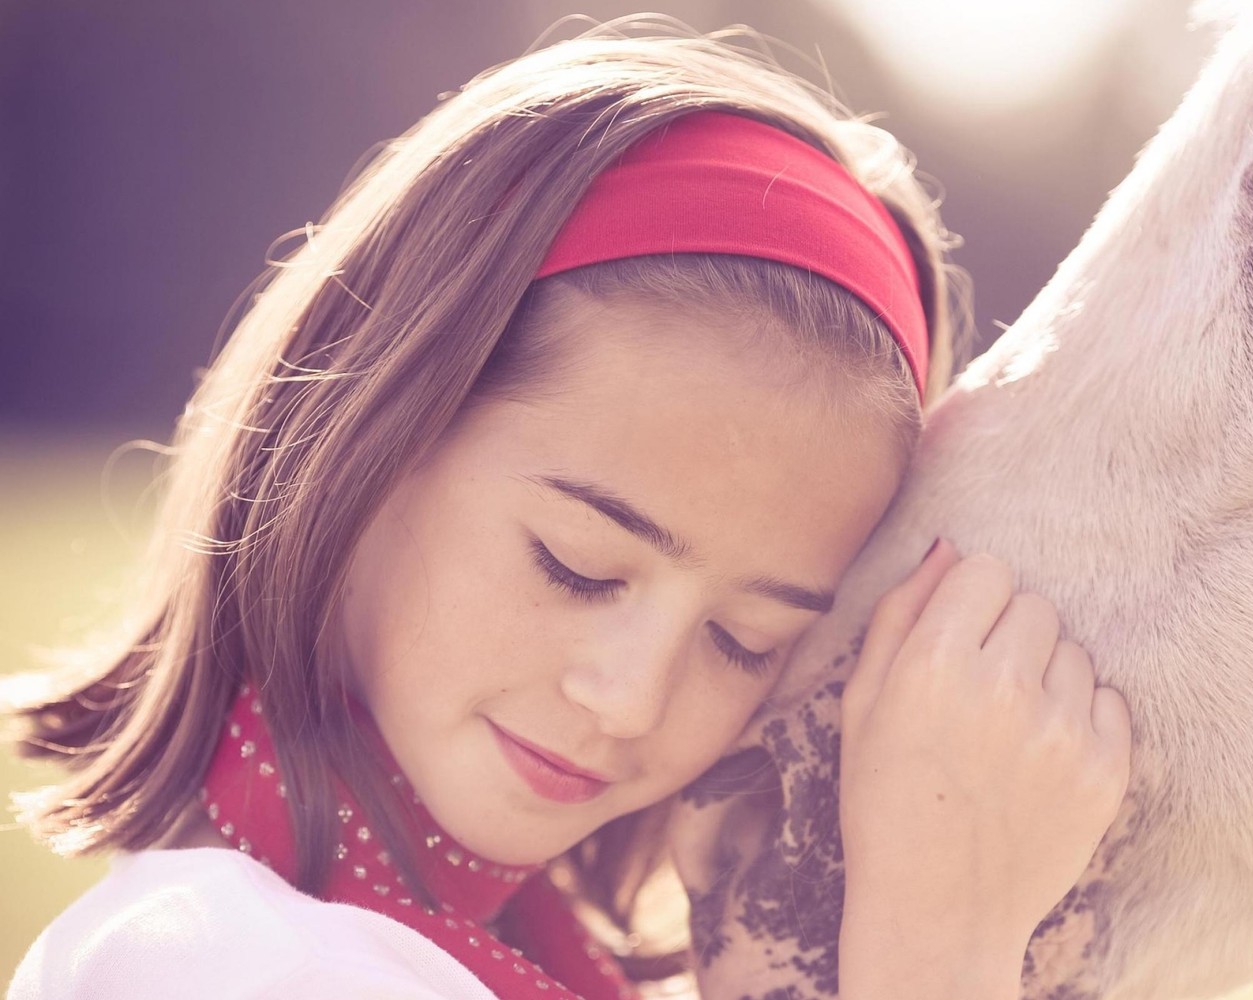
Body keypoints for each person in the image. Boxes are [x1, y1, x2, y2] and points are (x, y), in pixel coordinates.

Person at [4, 18, 1130, 1000]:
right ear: (365, 434)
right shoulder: (230, 967)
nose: (632, 700)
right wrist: (939, 948)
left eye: (747, 642)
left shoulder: (479, 944)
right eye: (579, 564)